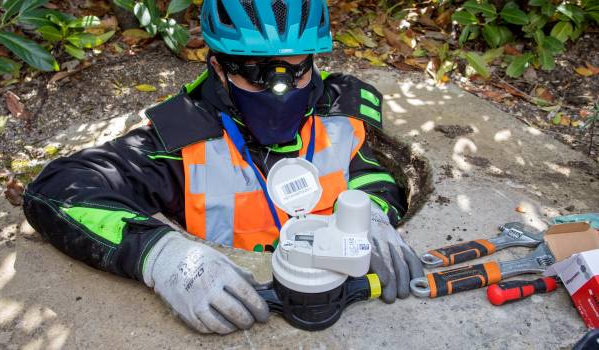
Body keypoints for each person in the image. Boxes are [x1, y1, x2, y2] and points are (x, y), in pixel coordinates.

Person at [23, 0, 423, 335]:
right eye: (254, 72)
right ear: (217, 68)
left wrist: (372, 212)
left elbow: (371, 171)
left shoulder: (338, 114)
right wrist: (160, 255)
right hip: (243, 305)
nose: (279, 90)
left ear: (314, 61)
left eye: (295, 71)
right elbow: (57, 190)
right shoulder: (182, 141)